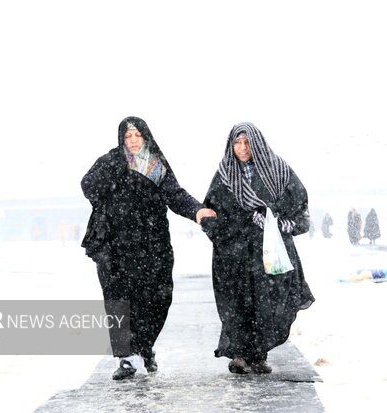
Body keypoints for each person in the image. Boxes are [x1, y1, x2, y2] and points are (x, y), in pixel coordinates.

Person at [81, 116, 216, 380]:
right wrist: (115, 172)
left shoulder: (156, 165)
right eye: (128, 136)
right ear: (122, 138)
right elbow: (88, 186)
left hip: (152, 244)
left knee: (157, 298)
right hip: (116, 246)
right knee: (119, 300)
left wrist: (198, 211)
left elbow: (175, 195)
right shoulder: (110, 161)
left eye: (137, 136)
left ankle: (145, 346)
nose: (132, 141)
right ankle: (125, 357)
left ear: (145, 137)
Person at [200, 122, 315, 375]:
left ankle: (259, 354)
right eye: (237, 143)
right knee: (239, 302)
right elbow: (213, 209)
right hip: (236, 253)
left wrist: (274, 217)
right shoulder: (225, 174)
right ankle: (240, 354)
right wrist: (225, 228)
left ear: (257, 144)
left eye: (247, 143)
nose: (242, 148)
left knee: (269, 301)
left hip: (269, 250)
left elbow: (297, 199)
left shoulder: (278, 170)